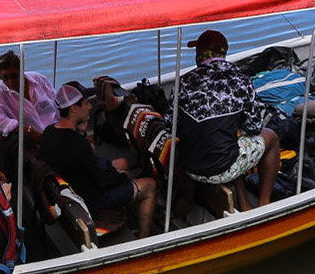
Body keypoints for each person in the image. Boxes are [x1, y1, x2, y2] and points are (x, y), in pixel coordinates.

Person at [173, 29, 282, 211]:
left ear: (202, 55)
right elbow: (255, 127)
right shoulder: (240, 80)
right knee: (271, 137)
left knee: (227, 138)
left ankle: (243, 201)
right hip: (220, 169)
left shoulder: (183, 82)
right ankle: (264, 203)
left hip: (189, 166)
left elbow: (171, 124)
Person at [39, 82, 157, 237]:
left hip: (72, 184)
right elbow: (102, 182)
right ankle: (144, 238)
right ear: (74, 108)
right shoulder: (78, 144)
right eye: (86, 103)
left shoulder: (49, 132)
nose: (90, 107)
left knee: (123, 163)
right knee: (149, 185)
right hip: (92, 199)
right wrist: (122, 177)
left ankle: (135, 216)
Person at [0, 50, 57, 147]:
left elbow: (57, 102)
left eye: (14, 76)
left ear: (21, 71)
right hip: (32, 142)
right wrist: (28, 130)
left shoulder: (39, 79)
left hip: (56, 131)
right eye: (5, 78)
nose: (10, 81)